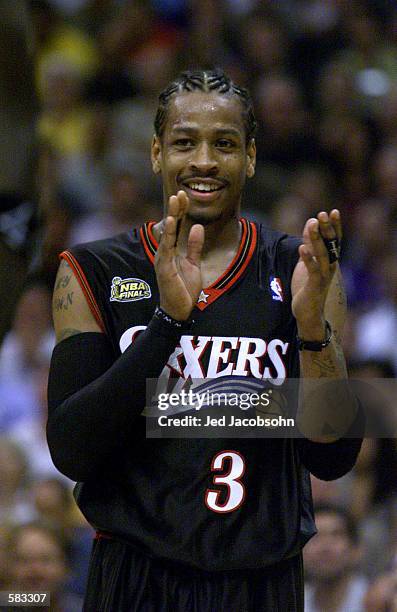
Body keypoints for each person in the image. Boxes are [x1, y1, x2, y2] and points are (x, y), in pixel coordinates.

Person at [47, 69, 362, 611]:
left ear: (252, 158)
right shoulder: (92, 269)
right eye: (184, 142)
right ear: (155, 153)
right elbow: (71, 449)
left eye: (225, 144)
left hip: (261, 577)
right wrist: (168, 322)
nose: (204, 162)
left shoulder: (301, 266)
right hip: (134, 574)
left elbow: (333, 457)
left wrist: (312, 331)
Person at [304, 504, 368, 612]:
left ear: (356, 550)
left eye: (336, 535)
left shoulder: (375, 602)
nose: (325, 547)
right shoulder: (292, 603)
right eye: (315, 537)